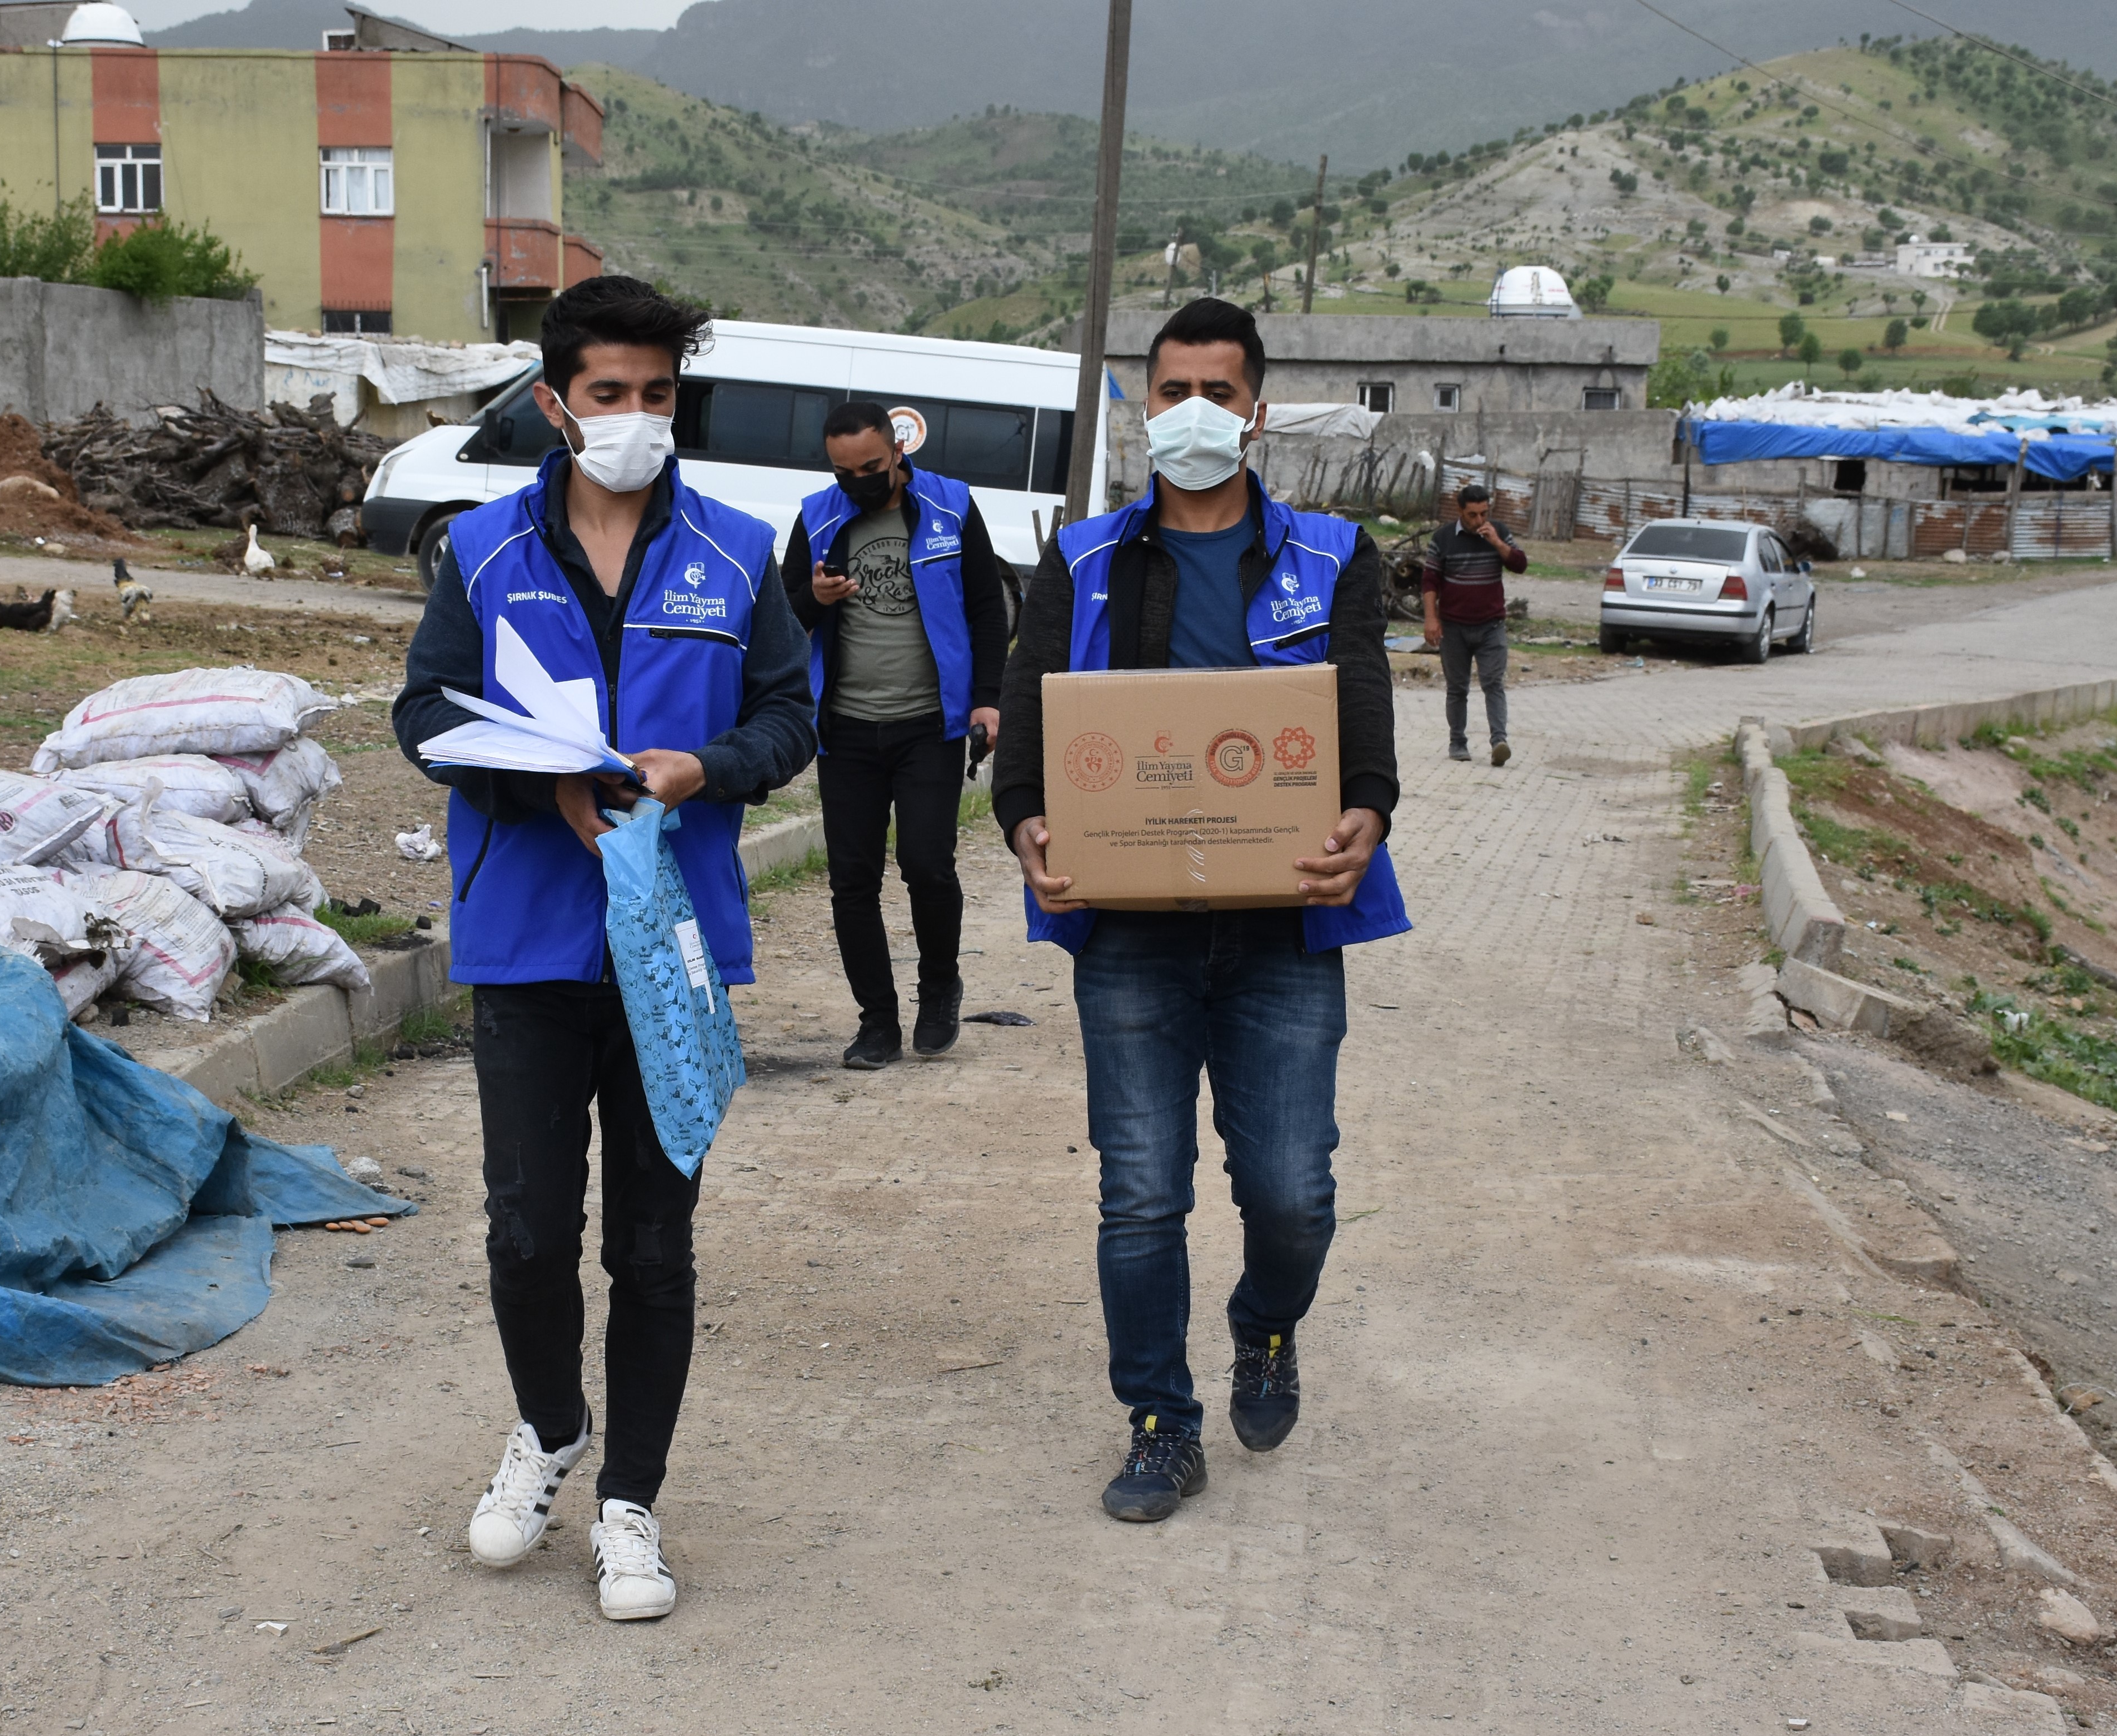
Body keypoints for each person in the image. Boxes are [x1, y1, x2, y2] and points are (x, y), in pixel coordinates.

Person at [390, 276, 817, 1620]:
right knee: (525, 1231)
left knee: (653, 1242)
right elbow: (423, 712)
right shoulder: (479, 550)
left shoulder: (745, 552)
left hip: (671, 944)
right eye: (610, 395)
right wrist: (543, 789)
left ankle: (629, 1502)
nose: (636, 418)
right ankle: (551, 1427)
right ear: (554, 403)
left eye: (657, 395)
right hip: (524, 937)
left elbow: (792, 720)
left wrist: (707, 770)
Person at [993, 296, 1409, 1524]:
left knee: (1292, 1191)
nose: (1192, 413)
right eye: (1170, 389)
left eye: (1217, 393)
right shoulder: (1082, 559)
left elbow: (1368, 728)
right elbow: (1030, 728)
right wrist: (1028, 829)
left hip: (1284, 930)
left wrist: (1365, 822)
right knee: (1143, 1189)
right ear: (1142, 406)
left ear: (1257, 414)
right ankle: (1160, 1422)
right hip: (1130, 935)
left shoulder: (1334, 554)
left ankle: (1266, 1324)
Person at [787, 401, 1010, 1069]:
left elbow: (985, 609)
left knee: (927, 864)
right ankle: (877, 1021)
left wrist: (989, 702)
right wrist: (815, 601)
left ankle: (939, 985)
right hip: (846, 730)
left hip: (929, 726)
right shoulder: (816, 516)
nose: (858, 481)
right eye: (843, 471)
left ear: (897, 451)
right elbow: (780, 613)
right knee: (852, 880)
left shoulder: (951, 508)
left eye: (872, 468)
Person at [1425, 483, 1526, 765]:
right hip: (1454, 627)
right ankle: (1458, 743)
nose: (1479, 521)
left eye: (1484, 514)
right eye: (1473, 515)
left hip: (1491, 626)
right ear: (1460, 512)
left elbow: (1520, 564)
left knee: (1494, 683)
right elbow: (1430, 580)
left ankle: (1499, 742)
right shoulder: (1443, 538)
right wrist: (1431, 618)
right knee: (1457, 688)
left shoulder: (1500, 532)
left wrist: (1497, 542)